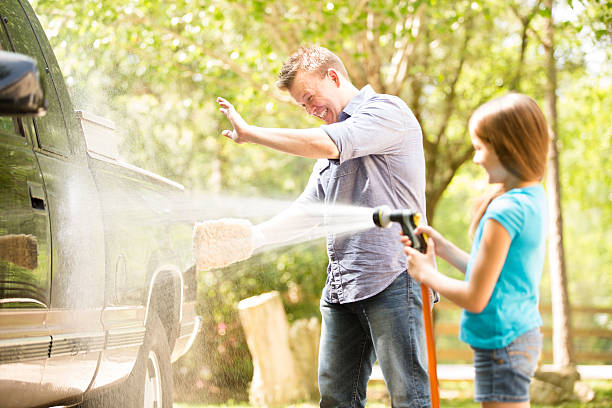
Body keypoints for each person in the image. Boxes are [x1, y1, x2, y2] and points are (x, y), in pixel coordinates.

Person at [218, 45, 431, 407]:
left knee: (409, 398)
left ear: (333, 77)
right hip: (343, 287)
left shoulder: (385, 112)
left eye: (311, 98)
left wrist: (252, 133)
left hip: (393, 277)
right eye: (303, 106)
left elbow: (331, 144)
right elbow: (309, 211)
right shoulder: (329, 143)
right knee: (335, 399)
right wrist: (254, 238)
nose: (311, 111)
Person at [402, 93, 549, 407]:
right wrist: (444, 249)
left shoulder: (504, 211)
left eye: (480, 148)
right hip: (518, 333)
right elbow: (495, 273)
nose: (476, 158)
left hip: (502, 342)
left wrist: (426, 274)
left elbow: (475, 297)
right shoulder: (532, 197)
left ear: (507, 148)